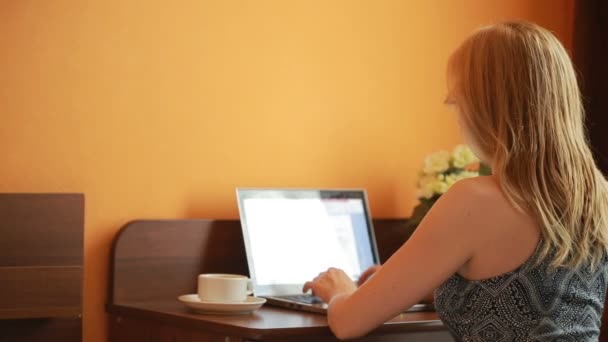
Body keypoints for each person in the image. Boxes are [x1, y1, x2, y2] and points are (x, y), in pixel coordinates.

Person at [303, 21, 608, 341]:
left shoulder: (476, 200)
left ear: (483, 108)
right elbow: (536, 304)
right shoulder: (597, 196)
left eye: (456, 101)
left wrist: (341, 292)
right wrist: (415, 285)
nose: (457, 115)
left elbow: (349, 322)